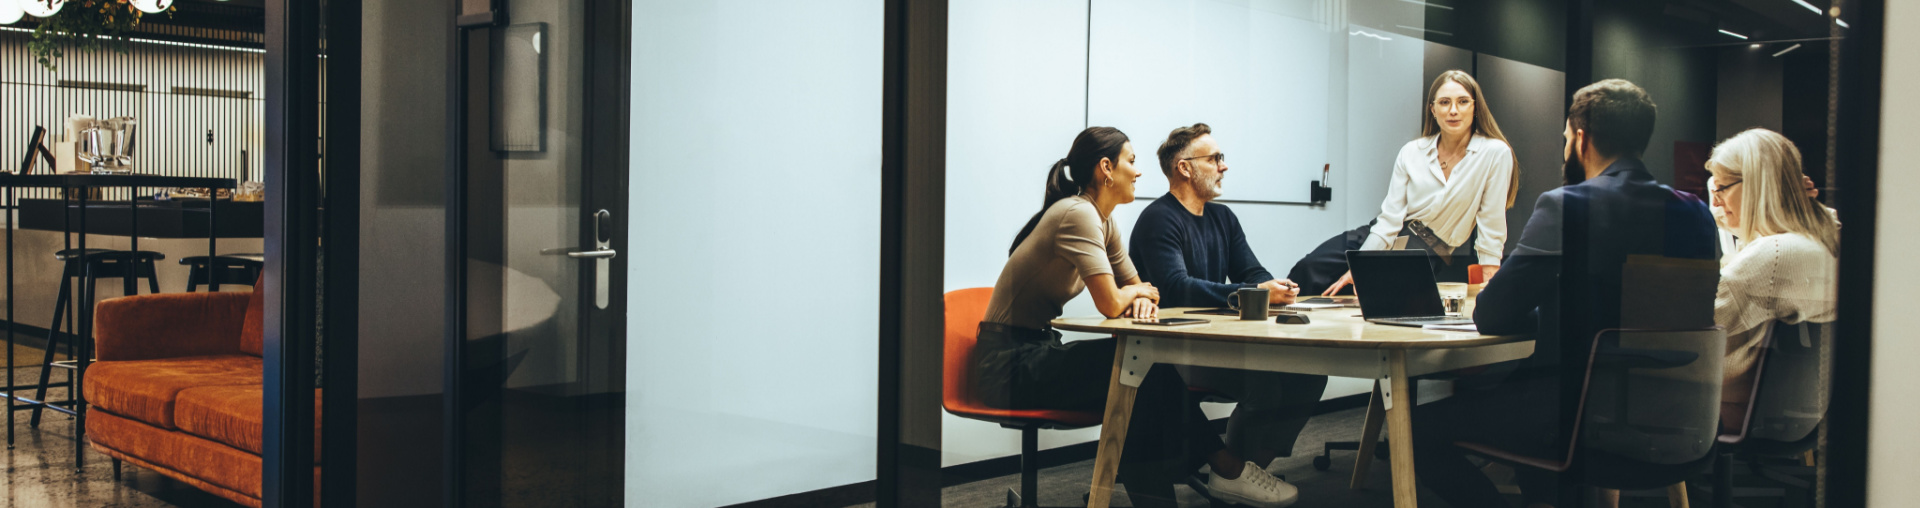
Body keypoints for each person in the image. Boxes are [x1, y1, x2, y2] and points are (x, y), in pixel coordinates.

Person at [1409, 79, 1720, 508]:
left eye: (1564, 140)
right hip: (1672, 414)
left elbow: (1494, 315)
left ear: (1581, 139)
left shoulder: (1568, 204)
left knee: (1417, 430)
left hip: (1576, 416)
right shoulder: (1697, 213)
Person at [974, 127, 1296, 508]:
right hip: (1006, 364)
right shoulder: (1077, 215)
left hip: (1039, 348)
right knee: (1143, 370)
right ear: (1106, 168)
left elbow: (1146, 288)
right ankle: (1225, 468)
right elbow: (1112, 303)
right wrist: (1132, 294)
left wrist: (1138, 294)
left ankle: (1178, 487)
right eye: (1131, 161)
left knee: (1140, 371)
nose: (1139, 172)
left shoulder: (1104, 221)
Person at [1128, 123, 1327, 494]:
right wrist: (1252, 291)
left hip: (1217, 344)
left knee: (1310, 375)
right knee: (1263, 386)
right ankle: (1233, 476)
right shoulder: (1158, 219)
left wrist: (1276, 288)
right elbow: (1177, 288)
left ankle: (1243, 473)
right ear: (1185, 168)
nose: (1224, 166)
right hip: (1174, 352)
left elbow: (1252, 272)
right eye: (1215, 158)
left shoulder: (1223, 217)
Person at [1313, 70, 1519, 295]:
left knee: (1378, 302)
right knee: (1312, 269)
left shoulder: (1495, 153)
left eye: (1462, 102)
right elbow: (1389, 220)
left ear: (1475, 107)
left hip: (1424, 252)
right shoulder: (1412, 151)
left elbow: (1491, 224)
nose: (1453, 110)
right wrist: (1362, 263)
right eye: (1444, 102)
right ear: (1433, 109)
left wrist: (1490, 281)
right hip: (1383, 234)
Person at [1703, 128, 1838, 433]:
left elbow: (1699, 326)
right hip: (1797, 411)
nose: (1715, 198)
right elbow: (1730, 216)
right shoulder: (1824, 240)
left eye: (1721, 187)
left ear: (1756, 185)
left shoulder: (1772, 255)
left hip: (1728, 409)